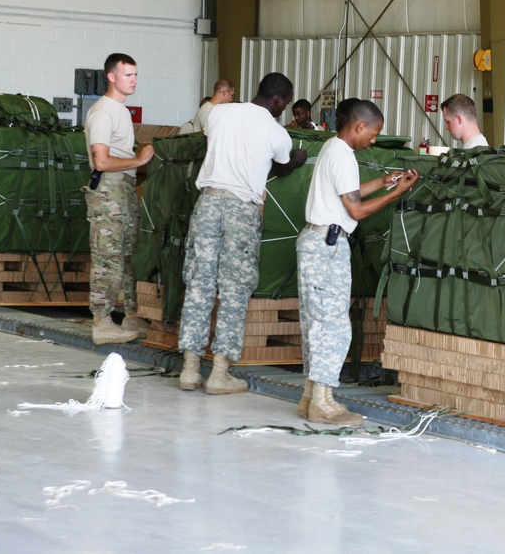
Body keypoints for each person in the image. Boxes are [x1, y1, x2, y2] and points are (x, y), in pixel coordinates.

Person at [178, 73, 308, 394]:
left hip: (207, 205)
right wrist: (297, 160)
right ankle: (220, 373)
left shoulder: (219, 112)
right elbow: (280, 168)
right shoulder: (278, 133)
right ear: (278, 101)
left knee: (199, 284)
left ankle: (190, 369)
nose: (286, 108)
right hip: (241, 209)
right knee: (234, 290)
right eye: (287, 103)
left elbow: (212, 135)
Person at [296, 100, 419, 424]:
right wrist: (397, 195)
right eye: (374, 133)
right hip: (328, 247)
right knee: (332, 326)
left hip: (317, 242)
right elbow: (356, 210)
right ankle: (323, 402)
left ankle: (311, 396)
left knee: (317, 324)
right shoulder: (343, 156)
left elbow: (348, 193)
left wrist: (383, 182)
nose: (374, 141)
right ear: (360, 126)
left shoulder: (333, 150)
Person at [84, 53, 155, 344]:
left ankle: (130, 315)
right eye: (128, 75)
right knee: (108, 257)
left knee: (127, 255)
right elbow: (100, 161)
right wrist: (138, 159)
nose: (134, 80)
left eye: (136, 74)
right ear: (111, 76)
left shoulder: (121, 111)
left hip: (123, 188)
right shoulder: (103, 111)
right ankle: (102, 321)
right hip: (108, 189)